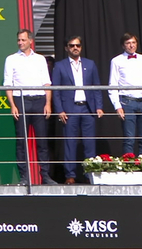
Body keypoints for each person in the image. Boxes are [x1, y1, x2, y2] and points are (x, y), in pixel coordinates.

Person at [3, 29, 57, 185]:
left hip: (39, 100)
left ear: (30, 41)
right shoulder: (11, 59)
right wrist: (12, 105)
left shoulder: (40, 59)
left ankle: (45, 176)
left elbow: (46, 83)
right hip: (21, 100)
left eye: (23, 40)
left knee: (42, 141)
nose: (20, 43)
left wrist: (48, 103)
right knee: (21, 141)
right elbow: (8, 84)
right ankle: (24, 177)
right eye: (19, 40)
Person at [52, 36, 104, 184]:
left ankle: (90, 174)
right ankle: (70, 175)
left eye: (78, 45)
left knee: (89, 143)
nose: (75, 48)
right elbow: (56, 90)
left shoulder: (90, 64)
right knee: (70, 143)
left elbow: (97, 87)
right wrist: (60, 110)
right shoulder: (60, 66)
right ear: (66, 48)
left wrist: (99, 106)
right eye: (72, 45)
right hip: (70, 109)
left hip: (88, 108)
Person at [108, 32, 142, 156]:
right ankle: (129, 165)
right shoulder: (116, 61)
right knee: (129, 138)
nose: (131, 45)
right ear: (123, 45)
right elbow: (112, 84)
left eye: (133, 42)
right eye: (128, 43)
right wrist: (117, 106)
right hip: (127, 102)